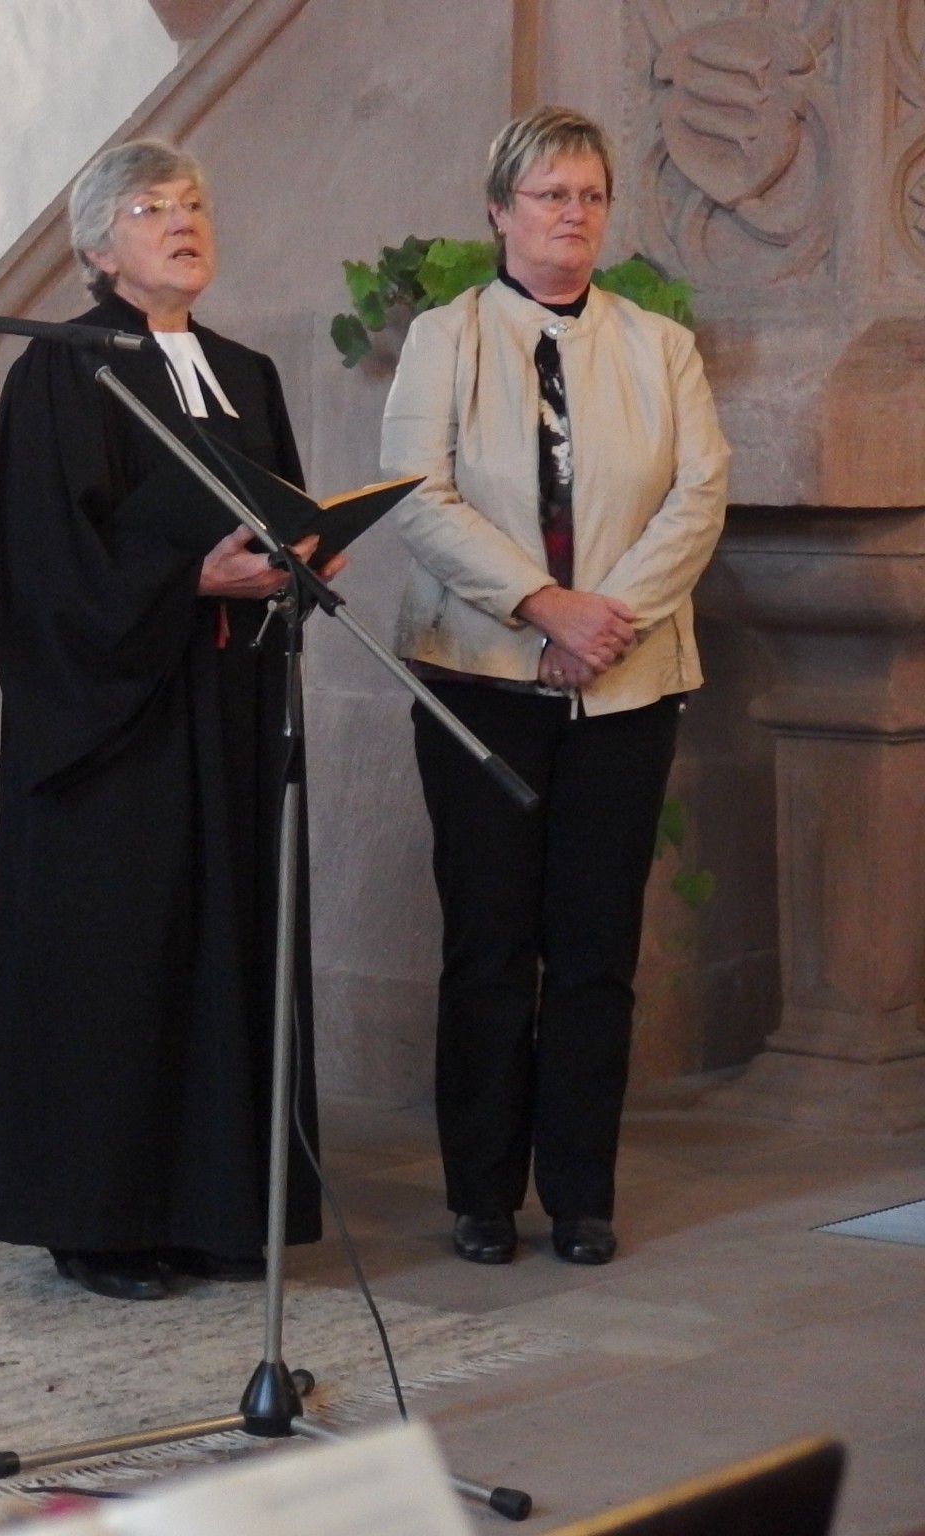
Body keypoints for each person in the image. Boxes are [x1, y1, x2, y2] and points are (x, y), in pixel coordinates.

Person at [0, 139, 338, 1301]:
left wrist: (297, 561)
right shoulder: (60, 370)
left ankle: (211, 1206)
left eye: (192, 203)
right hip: (114, 726)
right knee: (119, 959)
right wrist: (184, 581)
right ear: (95, 248)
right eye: (148, 207)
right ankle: (98, 1218)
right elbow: (42, 560)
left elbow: (278, 517)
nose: (181, 221)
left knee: (220, 946)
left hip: (225, 710)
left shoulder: (244, 372)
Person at [381, 107, 728, 1267]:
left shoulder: (658, 346)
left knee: (593, 950)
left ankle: (579, 1192)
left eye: (587, 196)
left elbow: (696, 496)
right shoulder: (444, 337)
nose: (570, 214)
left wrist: (601, 618)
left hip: (622, 685)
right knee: (487, 946)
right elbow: (414, 494)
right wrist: (539, 604)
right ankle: (481, 1193)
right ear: (498, 211)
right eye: (546, 195)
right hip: (479, 678)